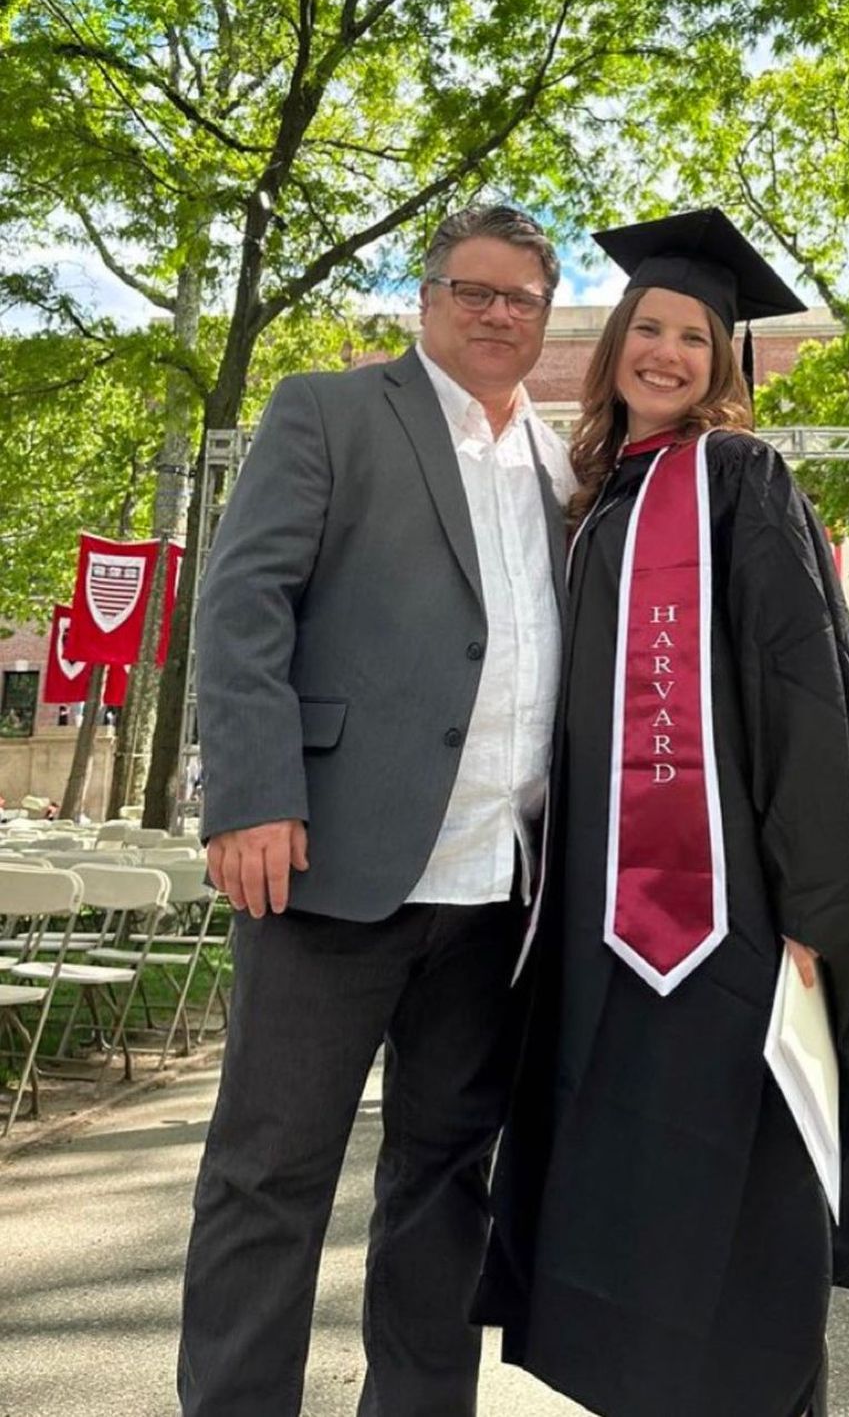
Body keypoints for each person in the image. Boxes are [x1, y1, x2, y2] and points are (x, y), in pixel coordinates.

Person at [474, 209, 849, 1417]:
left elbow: (801, 695)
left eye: (696, 340)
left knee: (737, 1216)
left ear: (723, 364)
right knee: (630, 1211)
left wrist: (818, 910)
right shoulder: (598, 499)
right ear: (614, 343)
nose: (667, 354)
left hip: (725, 920)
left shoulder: (740, 479)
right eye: (648, 329)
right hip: (603, 923)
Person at [177, 204, 574, 1417]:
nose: (498, 315)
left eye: (521, 299)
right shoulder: (331, 412)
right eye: (475, 291)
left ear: (544, 317)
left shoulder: (567, 463)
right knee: (268, 1176)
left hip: (499, 890)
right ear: (429, 295)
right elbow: (243, 608)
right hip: (327, 866)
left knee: (448, 1180)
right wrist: (251, 795)